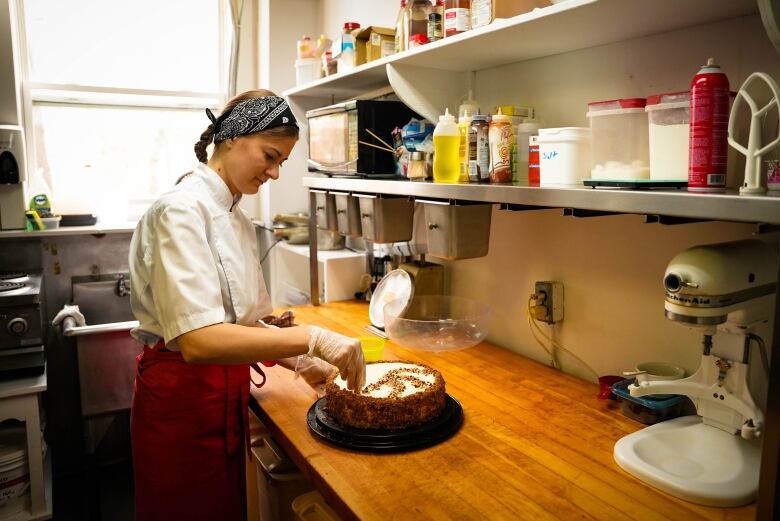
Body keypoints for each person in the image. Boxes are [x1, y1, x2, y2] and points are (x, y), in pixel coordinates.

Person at [128, 89, 366, 521]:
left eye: (282, 163)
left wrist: (302, 361)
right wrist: (313, 339)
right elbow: (198, 341)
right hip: (180, 401)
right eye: (270, 156)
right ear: (232, 137)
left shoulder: (236, 216)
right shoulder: (180, 212)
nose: (275, 173)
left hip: (224, 393)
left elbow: (246, 324)